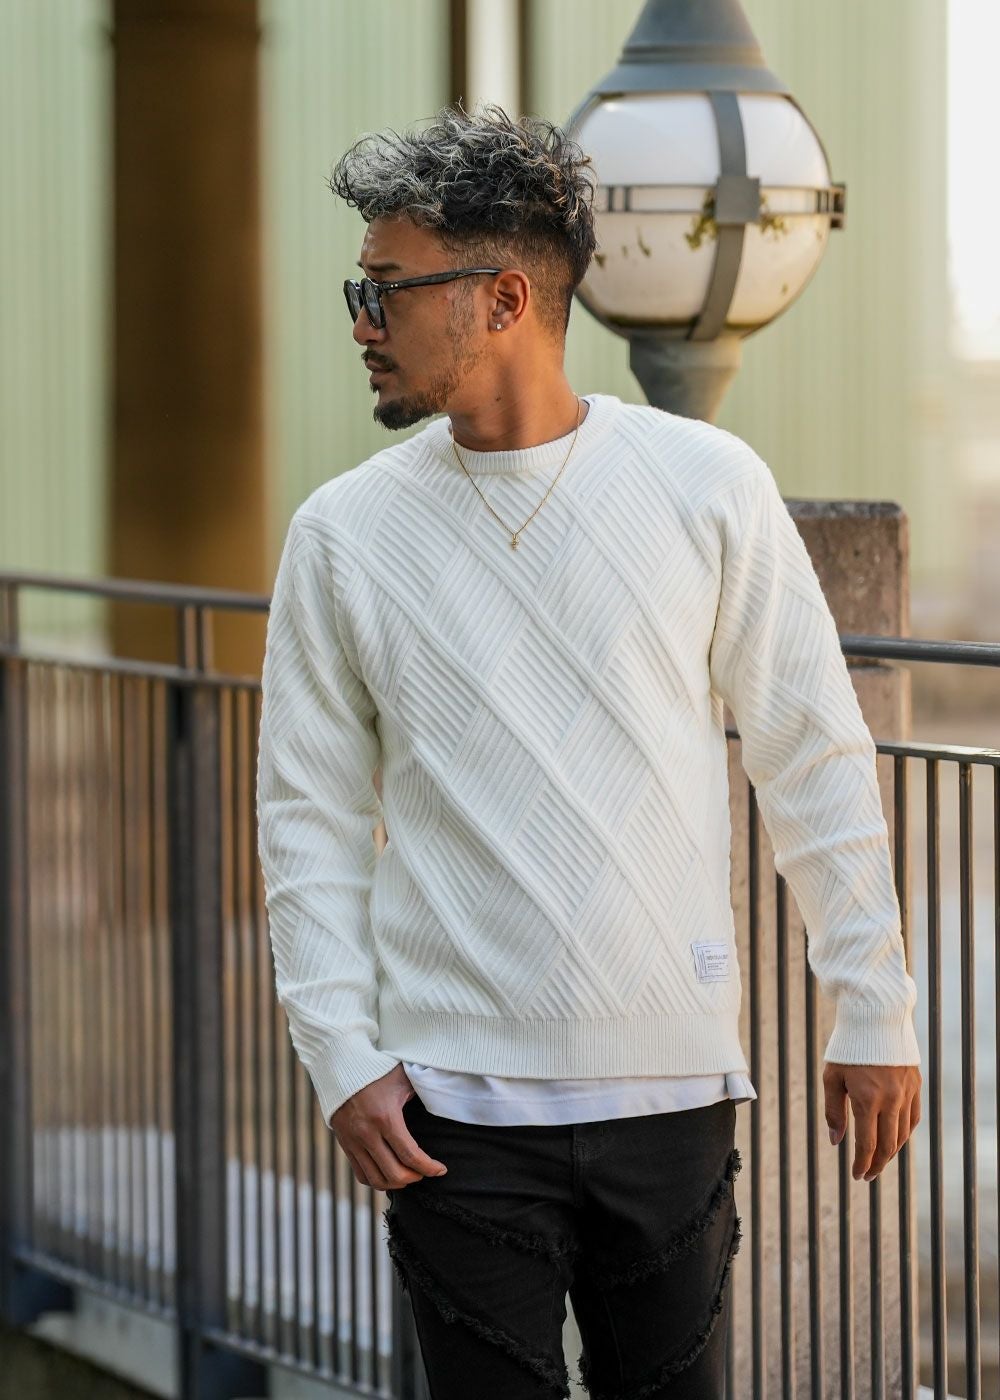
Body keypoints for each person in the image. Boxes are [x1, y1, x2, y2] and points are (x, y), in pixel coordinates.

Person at [256, 101, 922, 1400]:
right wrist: (340, 1056)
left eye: (385, 289)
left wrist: (874, 1004)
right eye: (360, 290)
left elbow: (813, 755)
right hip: (446, 1113)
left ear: (502, 298)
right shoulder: (342, 534)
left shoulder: (707, 484)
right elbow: (307, 817)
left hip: (671, 1092)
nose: (361, 322)